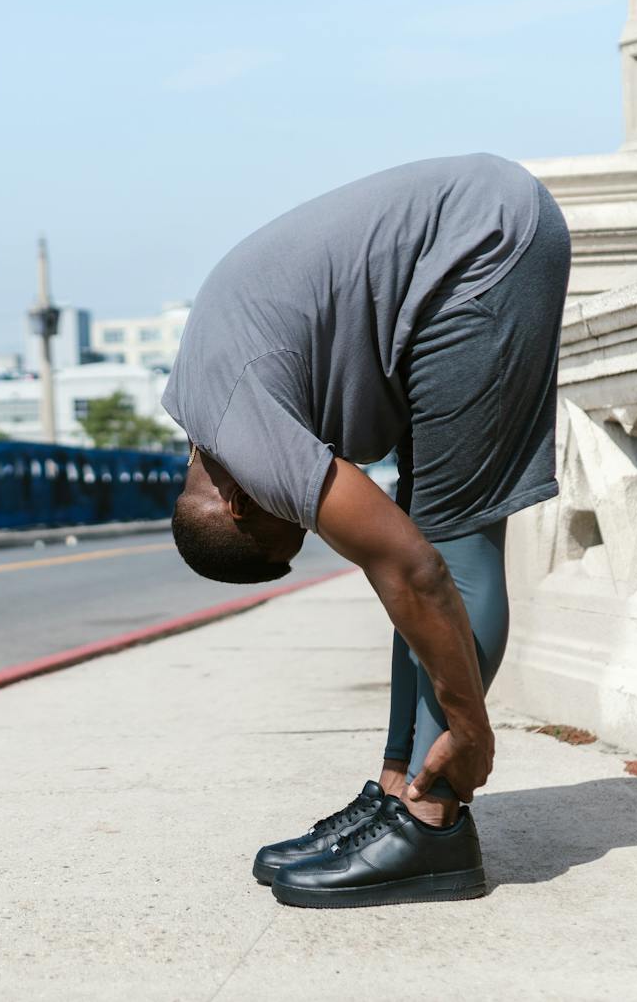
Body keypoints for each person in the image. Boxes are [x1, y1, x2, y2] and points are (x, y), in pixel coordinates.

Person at [162, 152, 570, 909]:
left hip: (480, 249)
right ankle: (399, 790)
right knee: (418, 545)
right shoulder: (200, 402)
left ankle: (433, 819)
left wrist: (471, 725)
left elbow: (415, 569)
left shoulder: (253, 445)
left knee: (449, 539)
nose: (310, 526)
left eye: (296, 531)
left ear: (244, 507)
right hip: (456, 250)